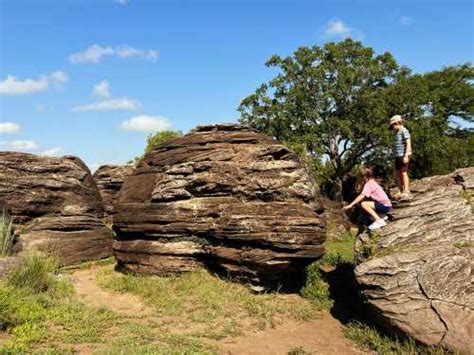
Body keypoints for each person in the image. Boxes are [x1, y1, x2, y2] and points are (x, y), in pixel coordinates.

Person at [343, 166, 392, 230]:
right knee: (365, 207)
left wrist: (350, 205)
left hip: (384, 206)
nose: (358, 178)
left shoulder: (369, 184)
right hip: (386, 205)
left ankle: (379, 221)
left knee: (364, 204)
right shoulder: (372, 182)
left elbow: (362, 195)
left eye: (359, 176)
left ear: (364, 177)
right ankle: (381, 216)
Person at [390, 115, 412, 199]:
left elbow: (408, 143)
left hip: (403, 155)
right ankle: (400, 190)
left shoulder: (404, 131)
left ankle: (406, 190)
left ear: (397, 123)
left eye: (393, 125)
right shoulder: (397, 133)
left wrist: (406, 156)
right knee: (397, 173)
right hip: (398, 156)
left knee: (403, 173)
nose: (393, 127)